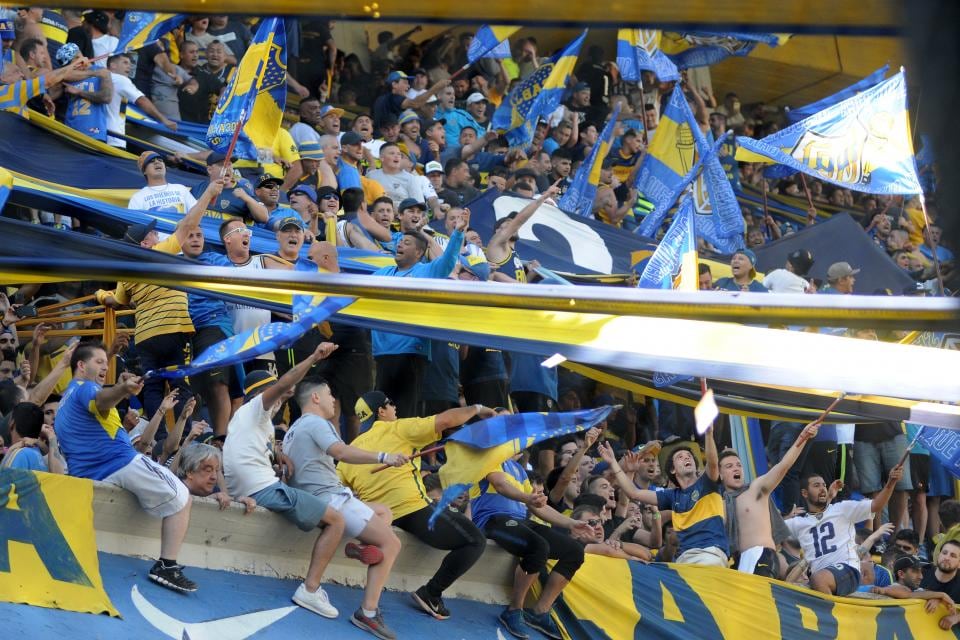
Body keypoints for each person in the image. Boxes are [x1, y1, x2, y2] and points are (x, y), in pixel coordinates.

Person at [55, 342, 197, 592]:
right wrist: (121, 389)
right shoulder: (86, 388)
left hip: (87, 476)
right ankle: (166, 566)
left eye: (106, 362)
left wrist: (120, 389)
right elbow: (100, 400)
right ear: (81, 366)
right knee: (183, 497)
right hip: (118, 463)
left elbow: (100, 406)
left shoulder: (65, 401)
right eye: (99, 362)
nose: (104, 367)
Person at [338, 394, 493, 620]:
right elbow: (445, 421)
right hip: (412, 509)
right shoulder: (398, 428)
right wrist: (477, 408)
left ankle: (366, 545)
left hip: (379, 516)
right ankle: (431, 593)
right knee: (475, 540)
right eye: (391, 403)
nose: (395, 407)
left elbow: (336, 489)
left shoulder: (351, 450)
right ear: (381, 411)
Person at [222, 343, 348, 620]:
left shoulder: (253, 421)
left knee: (330, 515)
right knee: (337, 520)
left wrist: (278, 455)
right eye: (274, 392)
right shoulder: (255, 408)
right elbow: (284, 384)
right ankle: (310, 589)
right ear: (261, 393)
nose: (281, 398)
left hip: (257, 487)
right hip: (263, 489)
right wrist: (313, 357)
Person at [284, 378, 409, 639]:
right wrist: (384, 457)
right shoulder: (317, 423)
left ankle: (364, 549)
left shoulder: (293, 429)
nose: (333, 400)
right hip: (331, 500)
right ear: (315, 398)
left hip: (315, 498)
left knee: (383, 512)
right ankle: (368, 613)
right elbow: (341, 452)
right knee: (392, 544)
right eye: (330, 394)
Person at [472, 450, 590, 640]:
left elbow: (537, 506)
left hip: (521, 521)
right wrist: (528, 498)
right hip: (493, 520)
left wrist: (571, 523)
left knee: (575, 550)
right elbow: (501, 485)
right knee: (539, 547)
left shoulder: (518, 469)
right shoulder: (489, 459)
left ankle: (540, 612)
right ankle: (514, 610)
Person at [368, 216, 466, 419]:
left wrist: (457, 233)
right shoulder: (382, 273)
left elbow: (448, 261)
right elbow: (353, 289)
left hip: (411, 354)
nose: (400, 245)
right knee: (382, 417)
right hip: (383, 354)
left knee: (405, 415)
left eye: (407, 243)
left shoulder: (426, 271)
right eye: (400, 242)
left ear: (419, 253)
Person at [600, 424, 729, 567]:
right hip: (683, 559)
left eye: (689, 456)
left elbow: (712, 464)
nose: (687, 458)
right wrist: (613, 462)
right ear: (673, 469)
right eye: (680, 457)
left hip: (709, 554)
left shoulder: (707, 483)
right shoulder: (672, 496)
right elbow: (634, 493)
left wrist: (709, 434)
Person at [719, 421, 820, 577]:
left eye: (738, 465)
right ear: (720, 474)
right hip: (738, 561)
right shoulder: (720, 504)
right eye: (729, 466)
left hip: (760, 554)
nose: (736, 468)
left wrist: (803, 437)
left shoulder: (755, 488)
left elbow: (784, 465)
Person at [786, 465, 904, 595]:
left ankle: (829, 608)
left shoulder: (841, 509)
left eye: (824, 485)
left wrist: (890, 483)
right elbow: (773, 531)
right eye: (816, 485)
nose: (822, 488)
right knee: (801, 586)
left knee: (818, 579)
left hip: (848, 570)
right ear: (804, 493)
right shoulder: (799, 523)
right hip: (824, 578)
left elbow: (876, 505)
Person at [485, 182, 561, 282]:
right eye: (508, 225)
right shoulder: (495, 244)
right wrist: (544, 197)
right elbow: (520, 220)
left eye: (512, 225)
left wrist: (530, 274)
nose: (513, 227)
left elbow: (519, 286)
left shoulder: (513, 254)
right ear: (497, 231)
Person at [105, 53, 176, 148]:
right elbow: (142, 101)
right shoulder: (121, 80)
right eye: (125, 63)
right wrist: (164, 120)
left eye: (130, 64)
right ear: (113, 65)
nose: (129, 66)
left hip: (98, 134)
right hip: (113, 138)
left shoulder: (99, 78)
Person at [871, 554, 956, 624]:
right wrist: (941, 595)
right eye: (915, 571)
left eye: (921, 571)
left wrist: (936, 599)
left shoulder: (917, 590)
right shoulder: (894, 588)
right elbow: (906, 594)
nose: (921, 576)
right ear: (901, 574)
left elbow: (922, 593)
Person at [922, 540, 960, 628]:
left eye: (953, 556)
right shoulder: (921, 572)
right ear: (938, 555)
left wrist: (956, 618)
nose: (947, 557)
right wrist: (937, 596)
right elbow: (904, 593)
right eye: (944, 553)